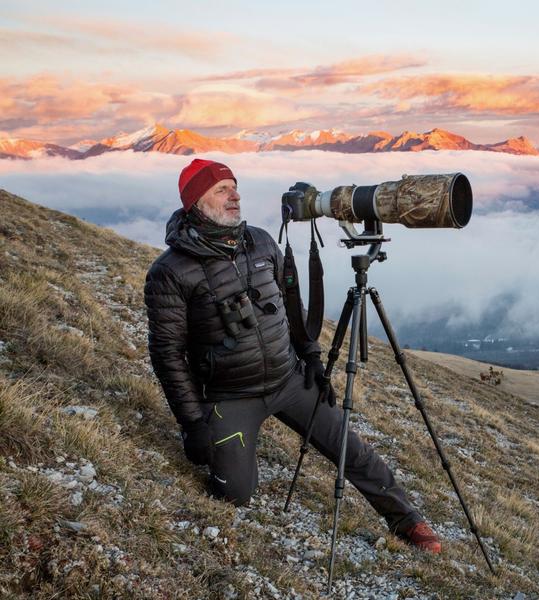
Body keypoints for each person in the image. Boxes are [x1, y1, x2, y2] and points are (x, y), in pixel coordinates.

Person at [143, 158, 440, 553]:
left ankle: (408, 520)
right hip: (230, 394)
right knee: (235, 495)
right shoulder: (170, 271)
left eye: (234, 186)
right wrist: (193, 423)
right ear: (196, 201)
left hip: (288, 378)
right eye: (222, 190)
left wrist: (312, 359)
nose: (236, 196)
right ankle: (221, 446)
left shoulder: (262, 241)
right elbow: (166, 354)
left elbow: (291, 308)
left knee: (350, 447)